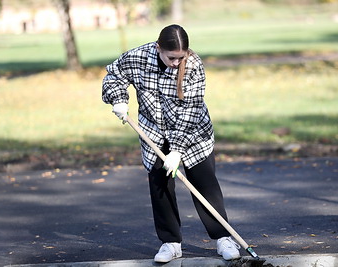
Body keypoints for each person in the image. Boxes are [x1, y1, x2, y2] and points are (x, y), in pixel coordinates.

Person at [102, 24, 241, 263]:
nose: (176, 63)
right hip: (153, 133)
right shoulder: (137, 57)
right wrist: (119, 100)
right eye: (171, 58)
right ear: (158, 48)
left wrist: (177, 150)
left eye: (180, 57)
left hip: (192, 134)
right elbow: (113, 76)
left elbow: (191, 110)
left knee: (204, 185)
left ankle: (223, 238)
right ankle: (171, 243)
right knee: (160, 187)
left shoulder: (194, 66)